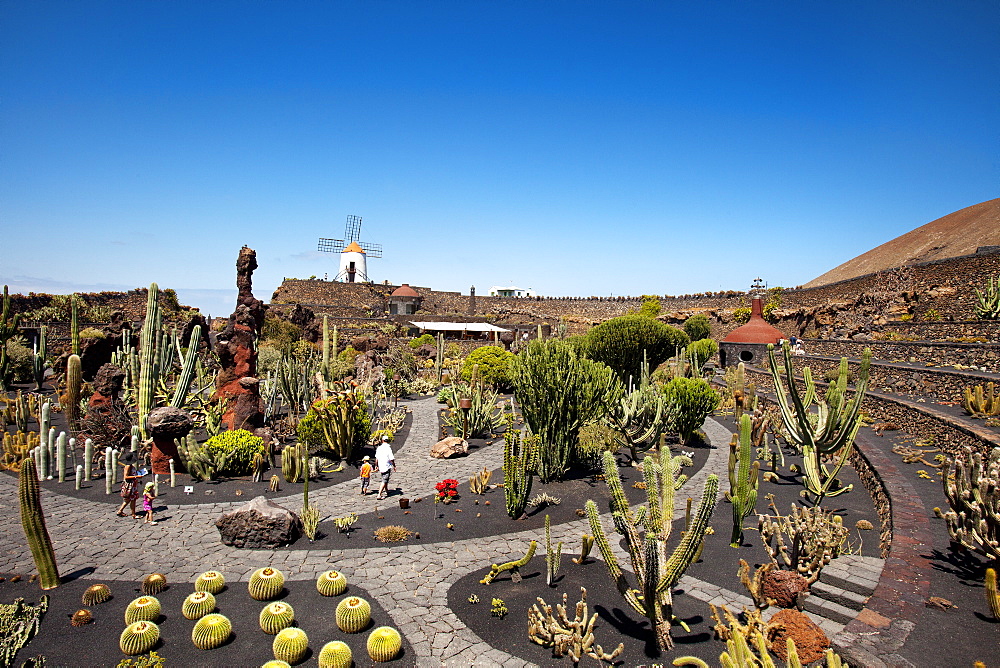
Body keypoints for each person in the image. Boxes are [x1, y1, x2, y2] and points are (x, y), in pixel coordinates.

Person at [115, 451, 142, 519]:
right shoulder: (128, 466)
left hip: (133, 484)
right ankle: (133, 514)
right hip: (130, 485)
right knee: (131, 499)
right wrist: (136, 477)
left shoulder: (130, 466)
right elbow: (126, 476)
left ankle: (120, 511)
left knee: (129, 499)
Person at [374, 436, 396, 501]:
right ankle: (379, 494)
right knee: (384, 480)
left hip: (381, 466)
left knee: (385, 478)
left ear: (382, 440)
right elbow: (391, 458)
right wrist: (394, 465)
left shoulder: (379, 448)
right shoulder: (388, 448)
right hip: (386, 466)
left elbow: (376, 458)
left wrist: (376, 465)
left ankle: (386, 490)